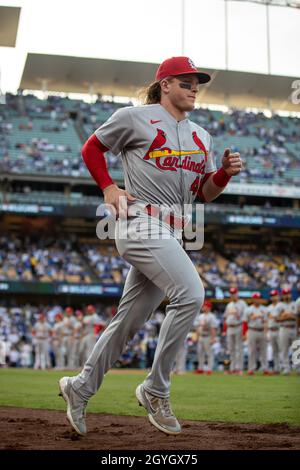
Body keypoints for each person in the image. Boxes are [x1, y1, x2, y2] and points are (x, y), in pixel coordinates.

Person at [58, 56, 243, 436]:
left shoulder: (202, 136)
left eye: (197, 84)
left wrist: (222, 173)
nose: (194, 89)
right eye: (187, 82)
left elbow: (203, 194)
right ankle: (155, 389)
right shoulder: (133, 117)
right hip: (139, 221)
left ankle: (79, 388)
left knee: (128, 322)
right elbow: (92, 149)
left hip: (174, 232)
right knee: (191, 293)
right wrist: (109, 187)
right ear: (166, 85)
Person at [223, 287, 247, 375]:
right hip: (230, 327)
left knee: (239, 349)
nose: (233, 295)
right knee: (230, 349)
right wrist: (224, 330)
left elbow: (245, 319)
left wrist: (244, 332)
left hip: (238, 326)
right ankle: (232, 368)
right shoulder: (229, 305)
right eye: (231, 293)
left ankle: (239, 368)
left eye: (234, 293)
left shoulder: (242, 304)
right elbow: (225, 318)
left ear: (237, 294)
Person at [245, 293, 269, 375]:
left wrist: (266, 332)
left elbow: (266, 322)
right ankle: (251, 369)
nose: (257, 300)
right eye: (255, 298)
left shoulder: (264, 309)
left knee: (264, 351)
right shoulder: (248, 309)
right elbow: (245, 322)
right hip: (252, 330)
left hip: (262, 330)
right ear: (252, 299)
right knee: (251, 351)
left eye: (258, 298)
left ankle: (265, 368)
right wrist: (245, 333)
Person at [276, 287, 298, 375]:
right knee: (284, 349)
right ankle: (286, 368)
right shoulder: (279, 305)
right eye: (285, 294)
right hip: (283, 328)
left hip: (294, 327)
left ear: (290, 294)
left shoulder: (295, 304)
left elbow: (297, 316)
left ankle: (298, 368)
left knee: (296, 349)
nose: (286, 295)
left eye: (288, 294)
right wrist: (288, 316)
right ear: (283, 295)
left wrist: (286, 315)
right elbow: (277, 318)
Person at [194, 300, 218, 375]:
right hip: (201, 336)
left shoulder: (212, 316)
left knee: (209, 354)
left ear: (209, 307)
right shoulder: (200, 316)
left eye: (206, 306)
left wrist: (213, 338)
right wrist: (197, 337)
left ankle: (209, 369)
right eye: (204, 306)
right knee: (200, 353)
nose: (204, 307)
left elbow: (213, 328)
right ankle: (200, 368)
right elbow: (197, 327)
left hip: (208, 336)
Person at [266, 289, 281, 374]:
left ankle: (285, 367)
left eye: (275, 295)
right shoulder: (269, 308)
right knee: (274, 350)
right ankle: (276, 368)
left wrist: (275, 317)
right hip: (271, 329)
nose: (273, 297)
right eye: (272, 296)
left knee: (282, 350)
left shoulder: (281, 305)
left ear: (278, 296)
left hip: (280, 329)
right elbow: (267, 320)